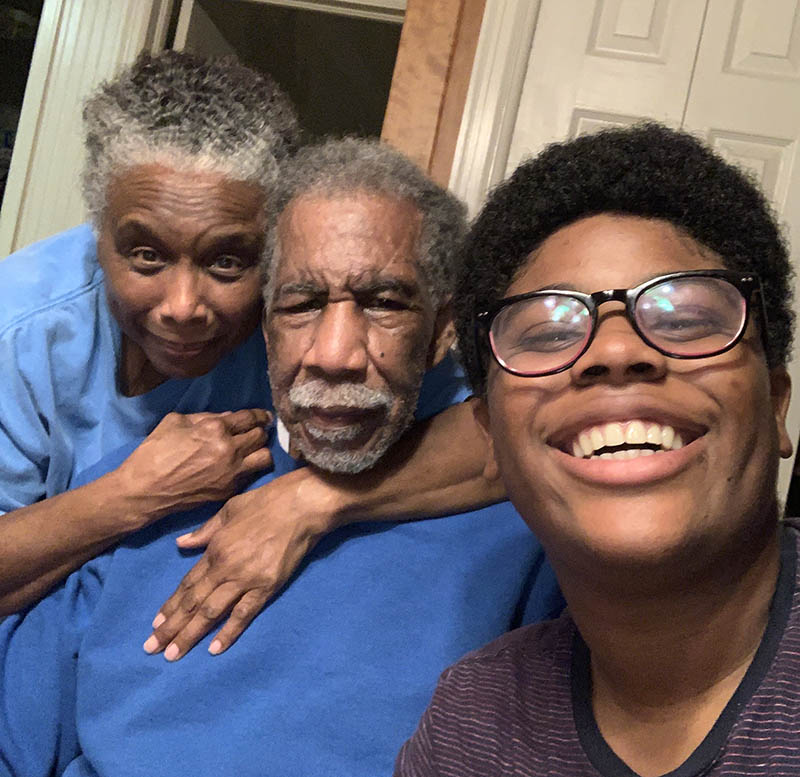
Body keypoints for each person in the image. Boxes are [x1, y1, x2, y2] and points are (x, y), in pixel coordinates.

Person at [0, 138, 562, 777]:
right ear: (264, 327)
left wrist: (318, 501)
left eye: (383, 303)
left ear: (442, 328)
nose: (335, 354)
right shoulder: (155, 489)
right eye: (301, 305)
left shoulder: (527, 526)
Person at [0, 50, 508, 656]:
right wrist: (131, 495)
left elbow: (508, 432)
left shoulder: (305, 322)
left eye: (227, 261)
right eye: (145, 257)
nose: (184, 306)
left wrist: (312, 501)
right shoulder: (22, 328)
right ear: (98, 235)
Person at [395, 123, 800, 777]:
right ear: (489, 438)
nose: (616, 351)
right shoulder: (468, 729)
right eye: (550, 330)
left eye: (685, 317)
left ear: (776, 404)